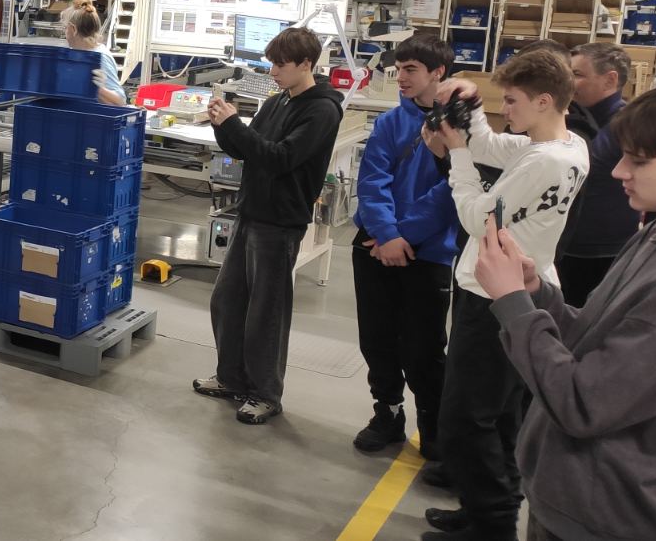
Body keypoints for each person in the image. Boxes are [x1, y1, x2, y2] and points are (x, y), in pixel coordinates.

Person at [474, 86, 656, 541]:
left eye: (640, 161)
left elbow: (582, 403)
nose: (619, 171)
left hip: (603, 517)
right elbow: (590, 338)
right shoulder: (655, 235)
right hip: (570, 498)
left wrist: (513, 304)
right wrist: (535, 293)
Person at [424, 50, 590, 541]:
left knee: (465, 419)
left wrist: (456, 153)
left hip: (494, 297)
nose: (507, 110)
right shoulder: (567, 145)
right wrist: (472, 108)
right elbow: (495, 147)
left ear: (543, 101)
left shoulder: (545, 160)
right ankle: (486, 508)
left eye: (512, 101)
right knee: (498, 416)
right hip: (514, 288)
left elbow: (478, 218)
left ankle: (492, 525)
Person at [192, 26, 344, 425]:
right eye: (272, 64)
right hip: (251, 211)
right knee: (228, 300)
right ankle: (231, 378)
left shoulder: (322, 110)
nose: (273, 72)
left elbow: (280, 158)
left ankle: (265, 393)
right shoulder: (278, 101)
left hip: (280, 222)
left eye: (281, 65)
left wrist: (235, 125)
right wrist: (222, 124)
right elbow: (248, 149)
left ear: (306, 64)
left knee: (266, 313)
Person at [350, 33, 460, 457]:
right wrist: (386, 233)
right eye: (398, 69)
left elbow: (452, 191)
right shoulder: (390, 123)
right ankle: (388, 413)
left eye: (411, 70)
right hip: (376, 244)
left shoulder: (461, 128)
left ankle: (435, 428)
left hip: (426, 251)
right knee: (377, 339)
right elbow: (372, 181)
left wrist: (403, 236)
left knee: (423, 348)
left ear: (438, 72)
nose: (401, 78)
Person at [555, 42, 637, 307]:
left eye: (577, 74)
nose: (569, 82)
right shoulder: (570, 118)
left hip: (600, 255)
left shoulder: (627, 124)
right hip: (564, 247)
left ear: (610, 79)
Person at [62, 0, 126, 107]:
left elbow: (120, 102)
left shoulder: (100, 57)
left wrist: (98, 89)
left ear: (74, 29)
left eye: (65, 28)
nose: (64, 32)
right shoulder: (80, 54)